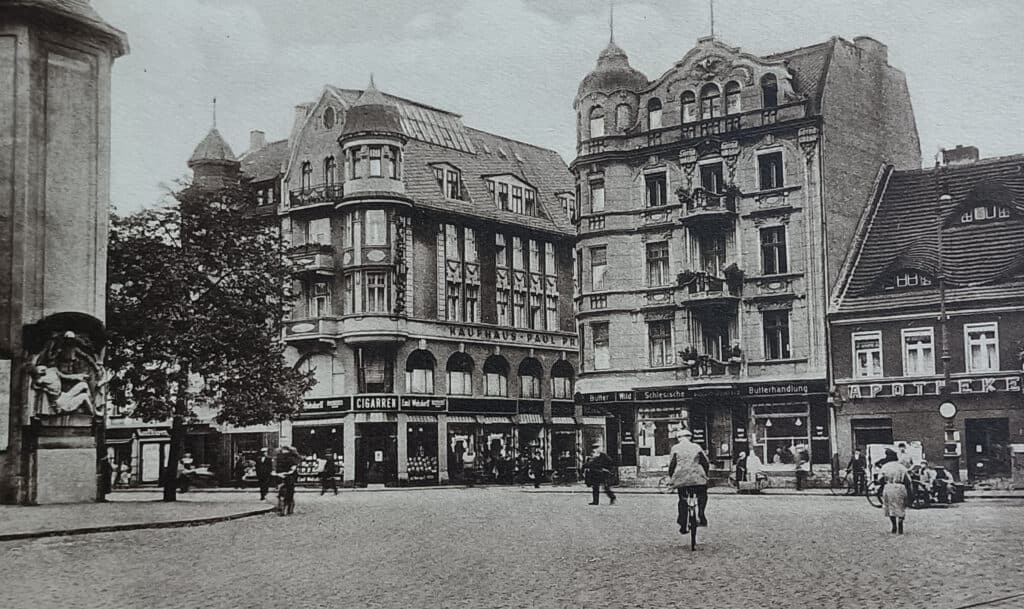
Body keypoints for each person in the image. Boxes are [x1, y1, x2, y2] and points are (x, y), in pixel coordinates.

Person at [667, 429, 709, 535]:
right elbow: (705, 462)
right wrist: (705, 475)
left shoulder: (675, 448)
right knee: (703, 495)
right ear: (690, 437)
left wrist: (672, 477)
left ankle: (682, 523)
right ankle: (701, 514)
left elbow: (672, 465)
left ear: (678, 438)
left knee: (682, 499)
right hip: (697, 478)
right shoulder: (696, 447)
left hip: (681, 479)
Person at [878, 448, 911, 534]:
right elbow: (908, 480)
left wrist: (883, 484)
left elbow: (880, 479)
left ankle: (894, 525)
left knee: (890, 507)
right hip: (900, 487)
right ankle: (900, 522)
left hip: (888, 487)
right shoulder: (901, 467)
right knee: (901, 506)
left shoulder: (885, 467)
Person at [275, 446, 301, 515]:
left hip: (288, 478)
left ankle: (286, 509)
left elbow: (292, 469)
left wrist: (282, 474)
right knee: (285, 494)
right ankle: (286, 509)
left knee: (287, 494)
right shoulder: (281, 458)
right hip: (285, 478)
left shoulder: (291, 458)